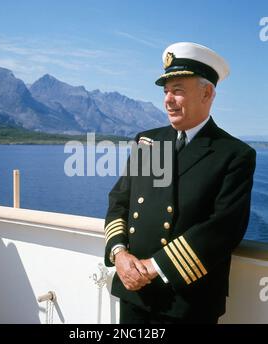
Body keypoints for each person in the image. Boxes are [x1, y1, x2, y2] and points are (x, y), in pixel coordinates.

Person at [104, 42, 256, 324]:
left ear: (207, 92)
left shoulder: (233, 154)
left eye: (178, 91)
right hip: (133, 293)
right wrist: (120, 254)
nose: (168, 100)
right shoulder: (148, 142)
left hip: (187, 303)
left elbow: (224, 227)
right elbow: (119, 202)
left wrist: (154, 267)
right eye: (165, 92)